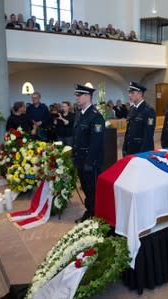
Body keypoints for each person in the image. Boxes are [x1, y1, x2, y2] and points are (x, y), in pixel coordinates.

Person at [72, 84, 105, 223]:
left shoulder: (95, 116)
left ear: (87, 97)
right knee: (86, 188)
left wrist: (89, 162)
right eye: (76, 95)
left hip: (90, 162)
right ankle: (90, 211)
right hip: (80, 160)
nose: (76, 98)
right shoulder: (81, 114)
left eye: (79, 95)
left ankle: (95, 215)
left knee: (93, 190)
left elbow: (96, 143)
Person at [122, 82, 156, 156]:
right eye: (129, 93)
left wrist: (143, 154)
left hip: (141, 151)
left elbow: (148, 135)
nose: (129, 95)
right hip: (130, 149)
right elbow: (128, 132)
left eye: (132, 93)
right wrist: (125, 148)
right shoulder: (131, 109)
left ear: (140, 94)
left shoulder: (148, 110)